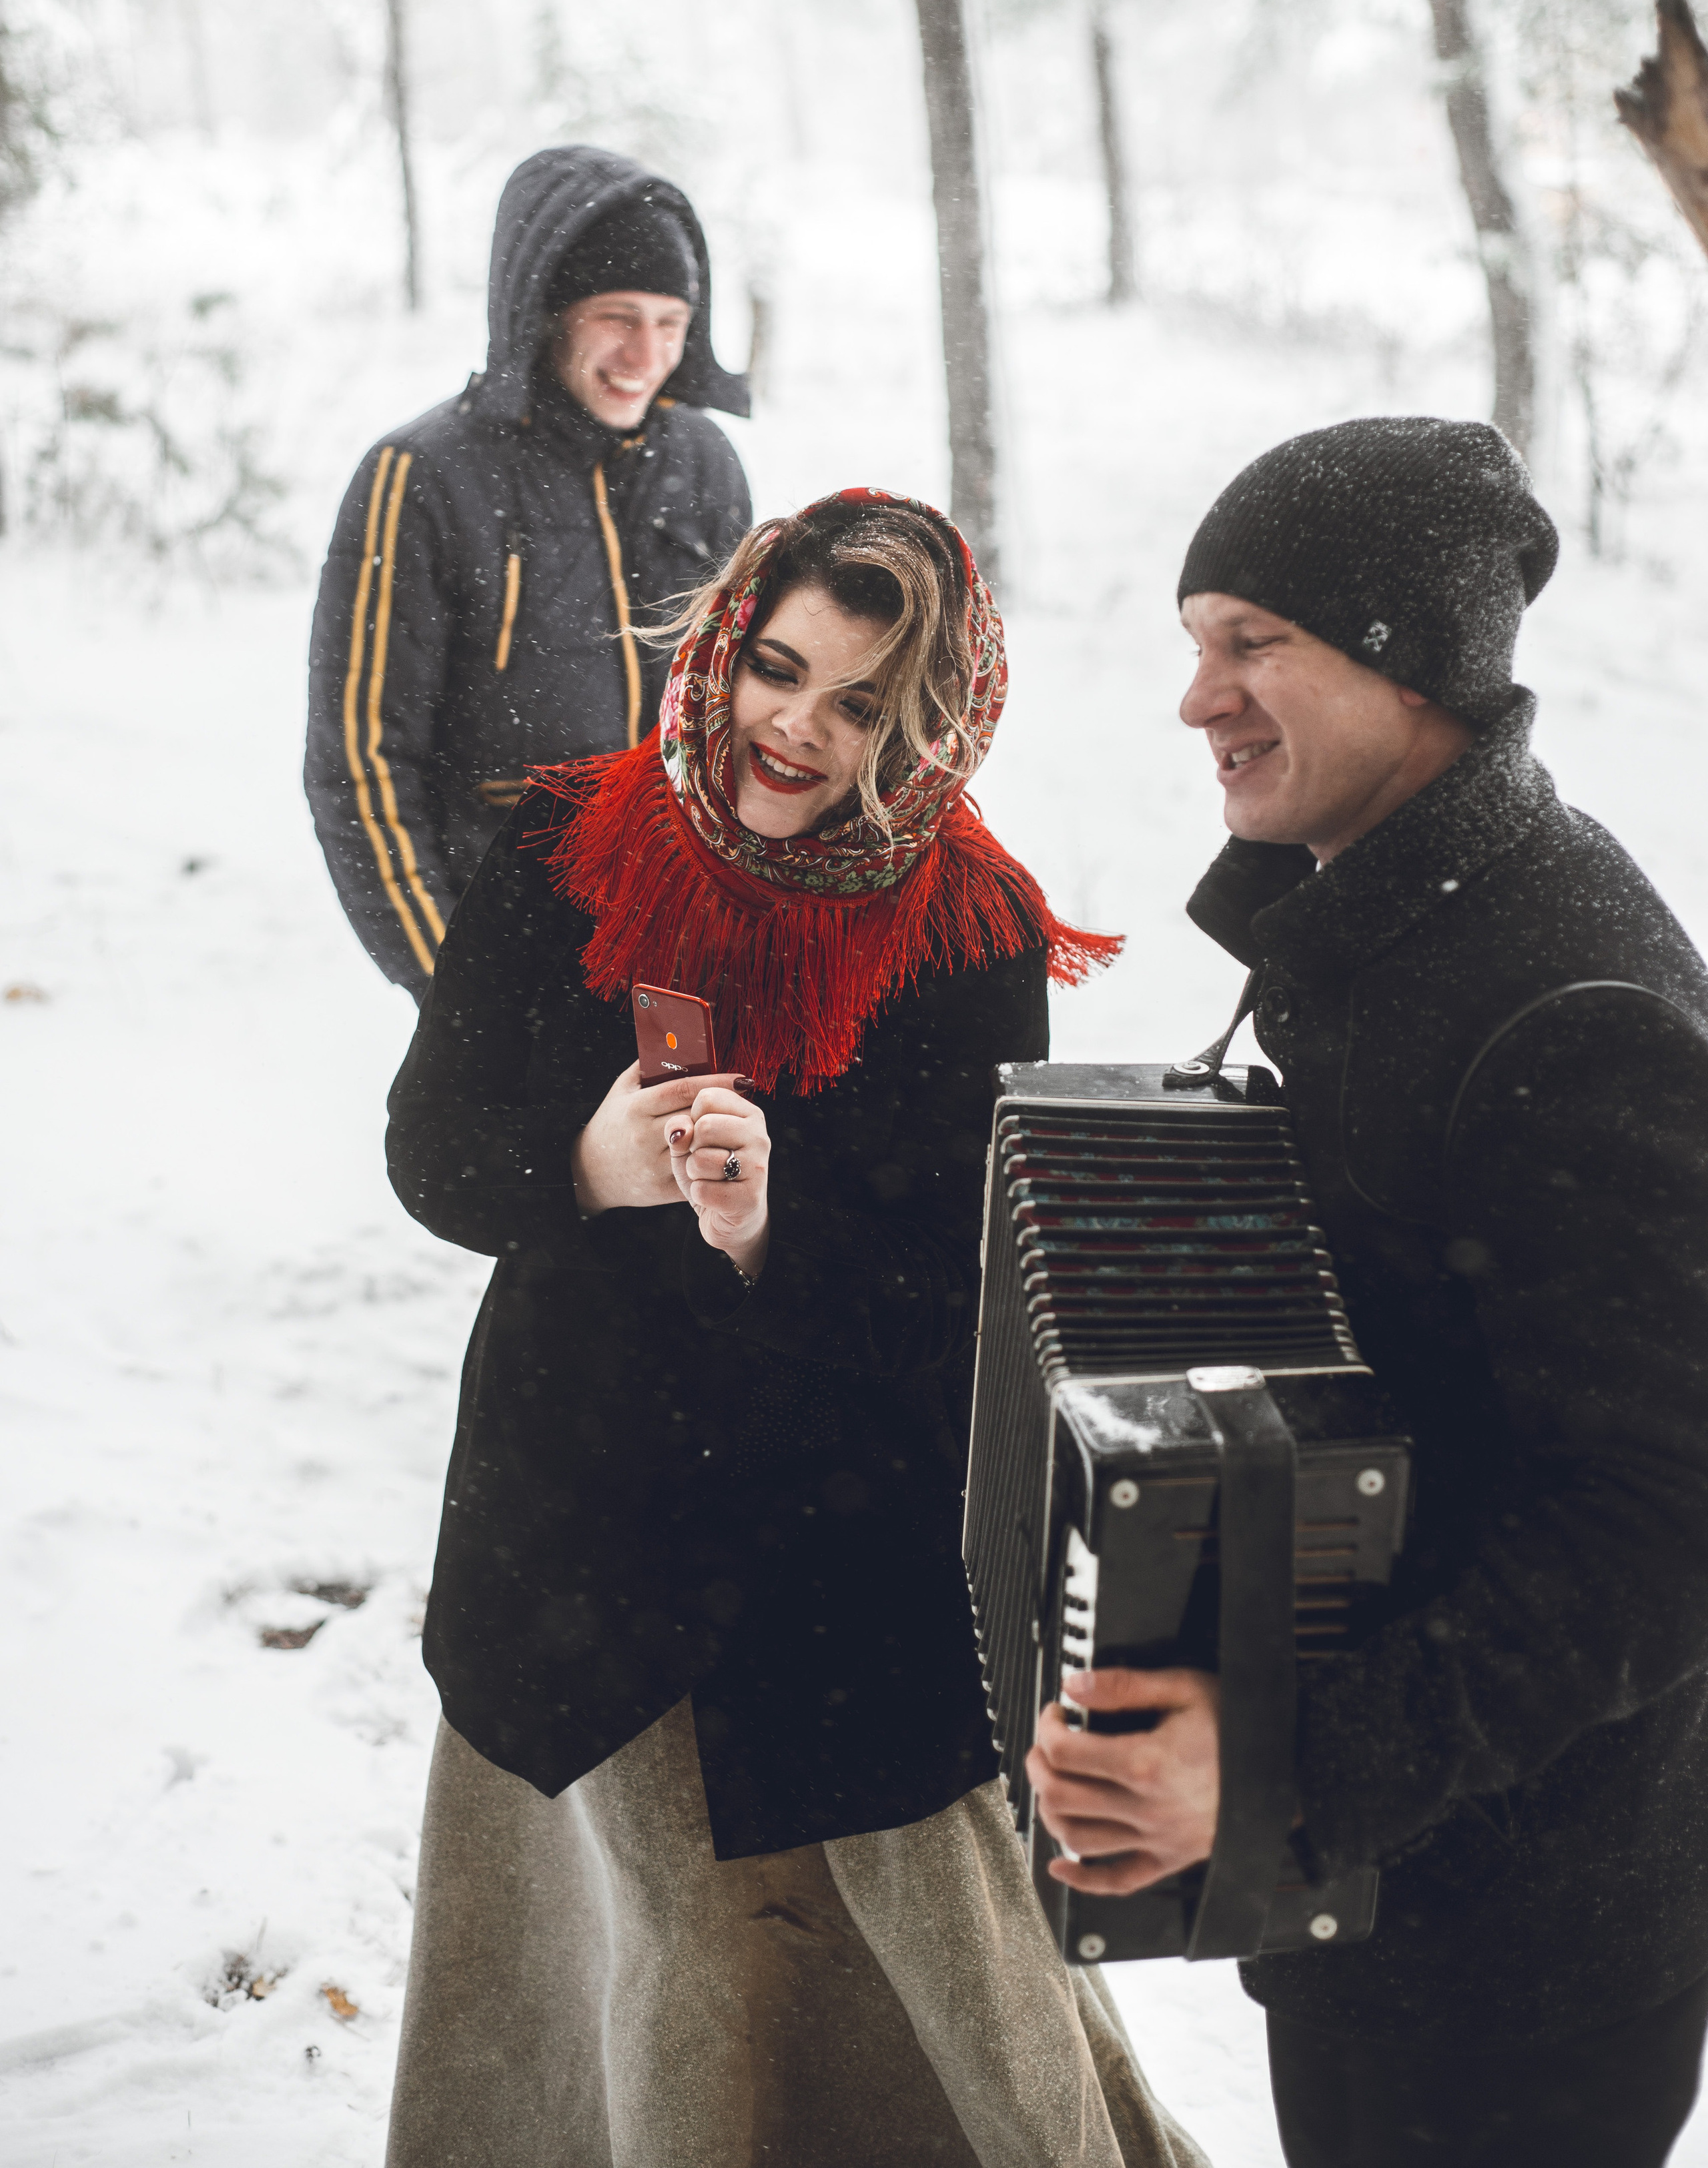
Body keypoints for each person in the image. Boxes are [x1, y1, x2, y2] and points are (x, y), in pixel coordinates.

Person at [379, 489, 1208, 2168]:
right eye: (777, 668)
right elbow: (432, 1141)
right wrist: (588, 1162)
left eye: (857, 707)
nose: (794, 728)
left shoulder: (970, 919)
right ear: (726, 639)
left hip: (839, 1550)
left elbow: (960, 1281)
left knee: (910, 1954)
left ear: (927, 727)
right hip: (583, 1513)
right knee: (633, 1946)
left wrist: (770, 1232)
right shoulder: (565, 839)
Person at [1029, 416, 1708, 2167]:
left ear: (1414, 664)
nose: (1199, 699)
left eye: (1253, 642)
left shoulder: (1573, 1009)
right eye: (1195, 644)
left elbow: (1661, 1531)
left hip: (1524, 1953)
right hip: (1383, 1894)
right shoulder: (1381, 921)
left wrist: (1284, 1765)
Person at [304, 143, 753, 995]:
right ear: (549, 310)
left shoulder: (704, 463)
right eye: (617, 316)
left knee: (695, 1135)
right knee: (537, 1138)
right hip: (507, 952)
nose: (645, 354)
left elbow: (739, 715)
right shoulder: (423, 476)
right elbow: (359, 764)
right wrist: (454, 990)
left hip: (681, 952)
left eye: (671, 324)